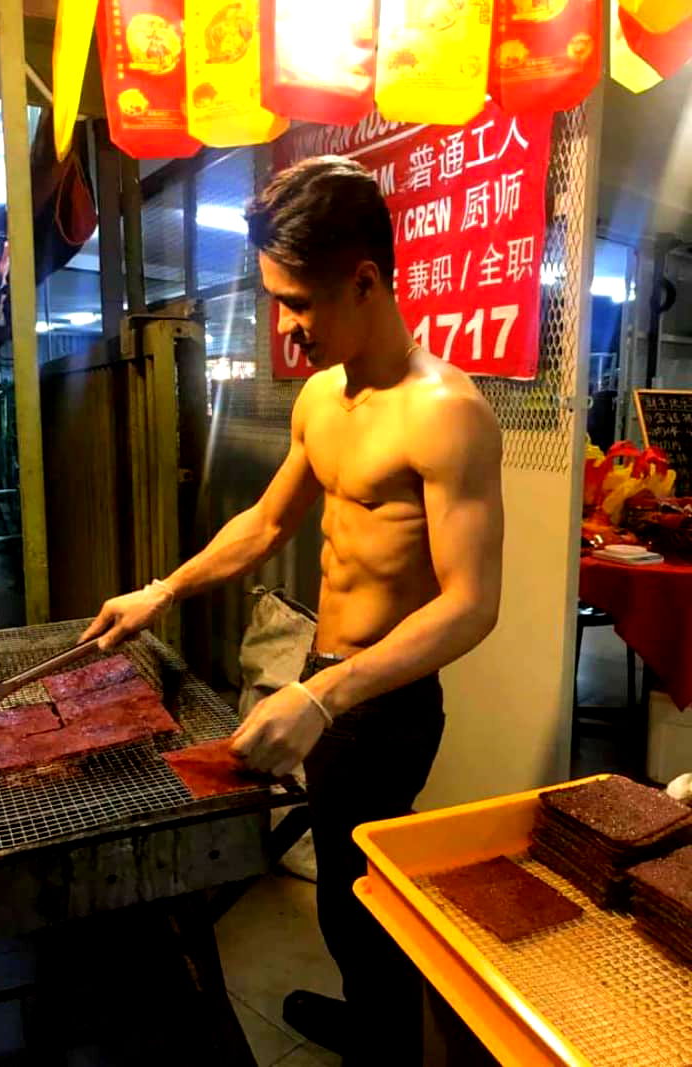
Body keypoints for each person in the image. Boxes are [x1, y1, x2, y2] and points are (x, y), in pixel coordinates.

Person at [81, 156, 504, 1066]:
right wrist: (161, 590)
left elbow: (472, 605)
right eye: (277, 300)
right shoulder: (322, 395)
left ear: (365, 279)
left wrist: (326, 696)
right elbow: (266, 521)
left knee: (364, 902)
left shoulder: (446, 414)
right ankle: (369, 1020)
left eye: (300, 303)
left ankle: (387, 1046)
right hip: (326, 676)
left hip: (384, 704)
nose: (287, 326)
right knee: (341, 895)